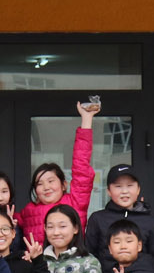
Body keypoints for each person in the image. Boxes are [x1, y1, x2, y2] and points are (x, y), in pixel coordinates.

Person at [19, 100, 97, 243]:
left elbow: (81, 167)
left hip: (73, 263)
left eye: (50, 181)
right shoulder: (28, 211)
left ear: (63, 185)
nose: (46, 187)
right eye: (39, 184)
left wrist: (87, 120)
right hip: (40, 265)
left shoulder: (75, 202)